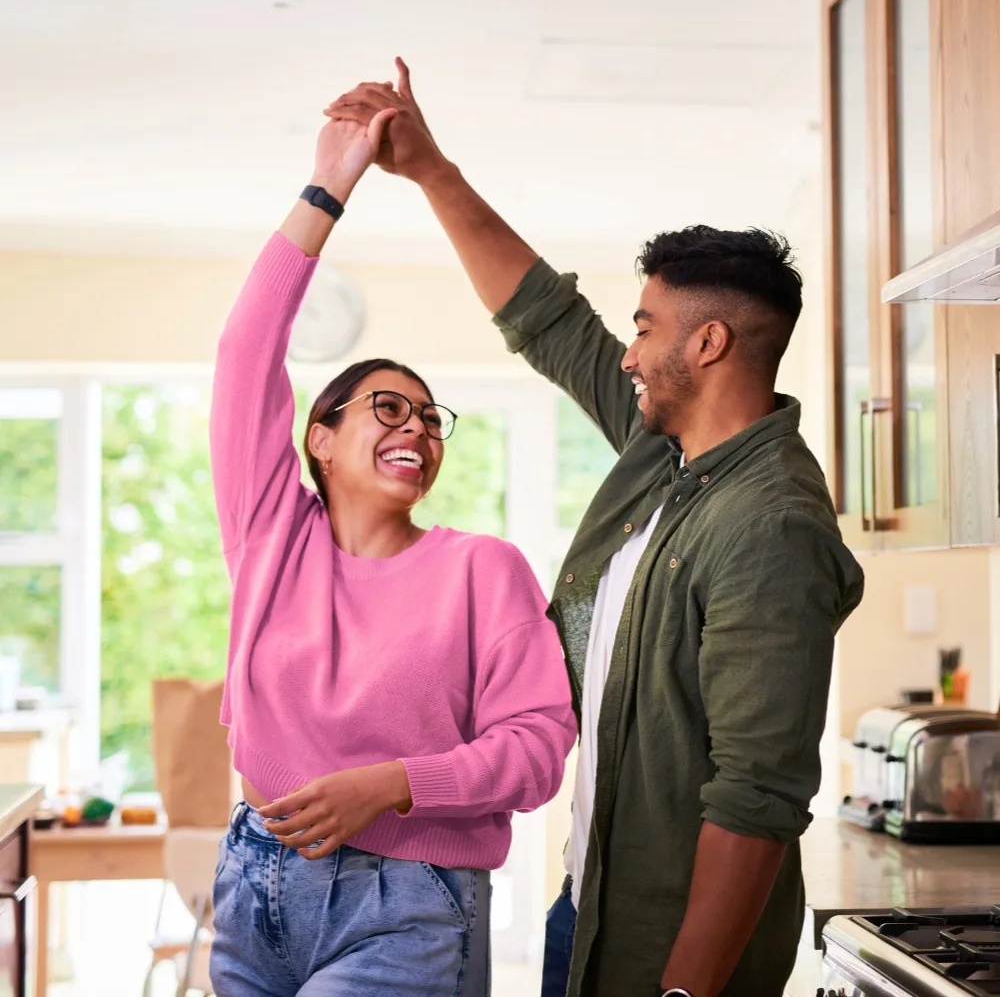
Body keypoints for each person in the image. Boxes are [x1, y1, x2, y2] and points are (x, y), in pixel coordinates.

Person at [326, 62, 865, 997]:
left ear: (706, 346)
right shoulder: (669, 454)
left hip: (672, 951)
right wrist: (429, 169)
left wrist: (684, 993)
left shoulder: (768, 526)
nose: (628, 351)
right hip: (592, 906)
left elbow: (758, 801)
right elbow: (548, 320)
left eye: (646, 327)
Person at [207, 104, 577, 997]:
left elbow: (538, 746)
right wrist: (330, 185)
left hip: (408, 906)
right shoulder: (270, 540)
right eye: (386, 406)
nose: (417, 425)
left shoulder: (481, 570)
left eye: (429, 416)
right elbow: (245, 353)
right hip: (254, 886)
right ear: (319, 440)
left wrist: (391, 785)